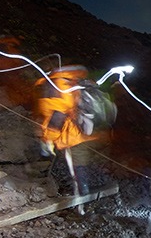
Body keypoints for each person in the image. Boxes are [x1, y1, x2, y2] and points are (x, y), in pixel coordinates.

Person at [34, 65, 115, 214]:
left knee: (78, 171)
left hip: (74, 137)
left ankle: (82, 208)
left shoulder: (57, 85)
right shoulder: (76, 81)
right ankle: (88, 196)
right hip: (90, 133)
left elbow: (57, 115)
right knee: (82, 166)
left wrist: (47, 139)